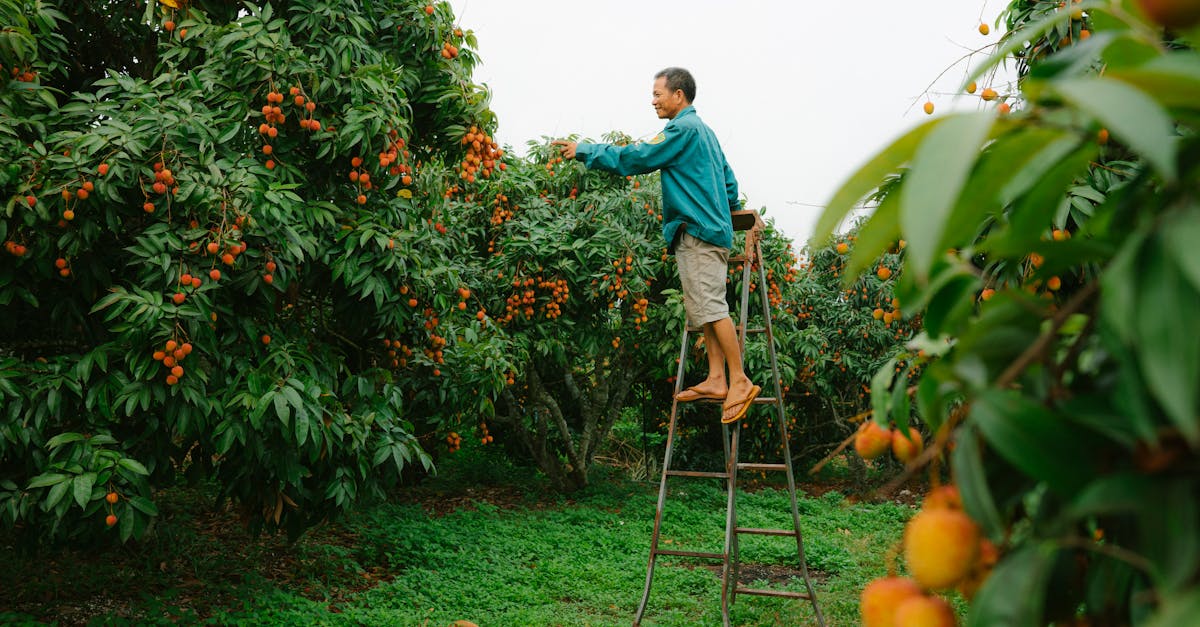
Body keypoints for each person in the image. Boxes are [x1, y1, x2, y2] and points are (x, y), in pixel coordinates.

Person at [553, 67, 759, 424]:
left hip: (698, 231)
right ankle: (717, 378)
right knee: (702, 307)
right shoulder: (706, 133)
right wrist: (726, 213)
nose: (653, 101)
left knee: (711, 306)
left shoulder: (682, 129)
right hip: (711, 229)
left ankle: (739, 379)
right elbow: (729, 182)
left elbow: (638, 157)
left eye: (657, 94)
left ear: (678, 95)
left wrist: (586, 150)